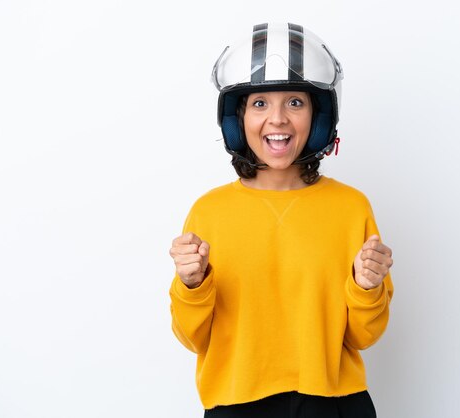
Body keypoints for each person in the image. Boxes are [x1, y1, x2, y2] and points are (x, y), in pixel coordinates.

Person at [169, 22, 394, 418]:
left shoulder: (351, 206)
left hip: (334, 405)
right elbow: (192, 338)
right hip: (237, 405)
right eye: (259, 103)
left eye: (294, 102)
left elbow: (364, 335)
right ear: (236, 119)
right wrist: (192, 284)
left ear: (319, 116)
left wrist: (366, 287)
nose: (277, 119)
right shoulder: (209, 211)